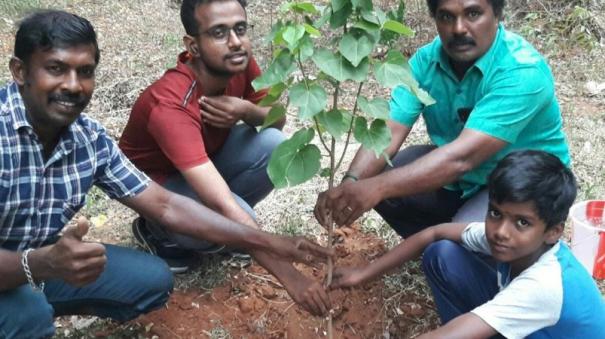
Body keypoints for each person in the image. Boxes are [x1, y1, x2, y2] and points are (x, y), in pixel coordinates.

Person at [0, 10, 332, 337]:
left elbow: (165, 206)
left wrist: (268, 242)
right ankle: (24, 310)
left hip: (42, 262)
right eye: (55, 69)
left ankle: (29, 300)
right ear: (19, 71)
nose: (72, 85)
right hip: (33, 264)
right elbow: (213, 202)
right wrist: (38, 265)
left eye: (84, 71)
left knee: (151, 281)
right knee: (29, 316)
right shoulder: (168, 102)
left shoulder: (88, 138)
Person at [314, 0, 571, 238]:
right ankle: (437, 248)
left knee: (457, 248)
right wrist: (353, 182)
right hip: (465, 179)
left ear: (497, 14)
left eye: (473, 14)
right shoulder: (425, 61)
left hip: (525, 188)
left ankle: (462, 257)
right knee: (385, 176)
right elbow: (390, 130)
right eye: (446, 16)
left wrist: (376, 187)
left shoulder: (521, 70)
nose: (458, 29)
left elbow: (462, 158)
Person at [331, 150, 605, 338]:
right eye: (495, 213)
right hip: (534, 326)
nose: (501, 231)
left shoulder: (545, 285)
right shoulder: (514, 243)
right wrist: (363, 274)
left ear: (554, 232)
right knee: (442, 254)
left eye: (522, 222)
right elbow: (435, 233)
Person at [119, 0, 286, 274]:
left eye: (240, 29)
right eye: (219, 33)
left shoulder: (236, 60)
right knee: (231, 219)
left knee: (275, 146)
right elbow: (220, 200)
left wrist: (246, 110)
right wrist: (282, 264)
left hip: (202, 164)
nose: (235, 42)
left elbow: (278, 120)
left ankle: (226, 227)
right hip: (160, 187)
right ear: (192, 46)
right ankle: (157, 232)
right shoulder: (170, 103)